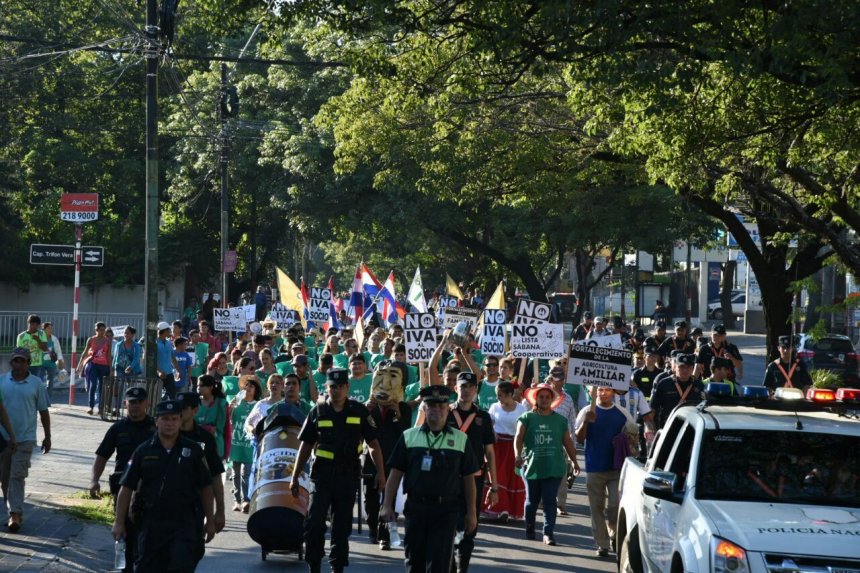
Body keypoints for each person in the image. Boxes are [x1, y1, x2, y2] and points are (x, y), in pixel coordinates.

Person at [289, 368, 386, 573]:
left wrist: (381, 473)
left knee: (341, 528)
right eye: (332, 387)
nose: (337, 390)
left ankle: (337, 566)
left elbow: (373, 444)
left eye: (341, 386)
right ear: (327, 388)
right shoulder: (318, 411)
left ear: (347, 388)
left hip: (348, 477)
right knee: (314, 524)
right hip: (322, 477)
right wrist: (295, 476)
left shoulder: (359, 411)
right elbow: (305, 446)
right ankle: (314, 564)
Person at [380, 385, 479, 573]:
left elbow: (468, 478)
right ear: (423, 409)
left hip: (446, 511)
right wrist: (386, 505)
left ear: (448, 409)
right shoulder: (408, 437)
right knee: (414, 563)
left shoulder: (461, 439)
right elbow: (395, 474)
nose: (436, 410)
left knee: (439, 565)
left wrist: (472, 512)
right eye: (431, 406)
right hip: (416, 509)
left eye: (441, 406)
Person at [112, 400, 216, 572]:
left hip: (184, 523)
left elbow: (206, 487)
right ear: (156, 421)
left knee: (180, 566)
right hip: (151, 522)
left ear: (180, 421)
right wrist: (118, 522)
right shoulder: (143, 451)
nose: (170, 423)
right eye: (165, 419)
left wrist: (210, 521)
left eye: (174, 419)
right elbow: (126, 488)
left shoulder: (193, 450)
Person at [90, 386, 155, 571]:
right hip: (123, 488)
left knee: (147, 535)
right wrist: (94, 480)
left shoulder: (155, 427)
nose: (135, 406)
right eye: (131, 402)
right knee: (125, 532)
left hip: (148, 488)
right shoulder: (118, 429)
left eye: (139, 402)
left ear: (146, 403)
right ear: (126, 404)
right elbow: (102, 455)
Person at [515, 382, 580, 546]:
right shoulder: (526, 418)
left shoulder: (560, 420)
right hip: (532, 466)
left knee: (550, 500)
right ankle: (530, 528)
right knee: (532, 501)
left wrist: (574, 461)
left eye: (547, 397)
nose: (544, 400)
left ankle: (548, 533)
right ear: (536, 399)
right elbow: (518, 438)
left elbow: (568, 443)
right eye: (541, 397)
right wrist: (517, 455)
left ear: (552, 400)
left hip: (554, 466)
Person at [447, 371, 497, 573]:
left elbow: (490, 453)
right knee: (448, 526)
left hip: (474, 479)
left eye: (470, 387)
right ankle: (449, 567)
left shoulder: (483, 417)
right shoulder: (446, 412)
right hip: (447, 478)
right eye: (462, 386)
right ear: (455, 388)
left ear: (476, 390)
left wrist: (494, 486)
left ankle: (462, 568)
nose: (466, 390)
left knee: (469, 526)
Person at [0, 348, 50, 532]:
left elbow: (44, 411)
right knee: (5, 479)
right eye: (16, 361)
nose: (19, 364)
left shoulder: (37, 384)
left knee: (16, 476)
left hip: (25, 438)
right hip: (3, 439)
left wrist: (48, 436)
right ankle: (13, 512)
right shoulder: (2, 381)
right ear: (11, 362)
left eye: (23, 361)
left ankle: (15, 514)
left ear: (29, 363)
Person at [575, 386, 629, 557]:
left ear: (613, 392)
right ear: (593, 392)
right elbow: (579, 438)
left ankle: (612, 530)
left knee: (615, 505)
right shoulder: (586, 411)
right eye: (600, 390)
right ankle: (602, 544)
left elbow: (632, 435)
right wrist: (586, 421)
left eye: (607, 390)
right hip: (594, 467)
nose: (603, 393)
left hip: (616, 468)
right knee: (596, 508)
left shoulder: (622, 412)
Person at [363, 360, 411, 550]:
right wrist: (365, 410)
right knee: (370, 499)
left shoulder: (404, 408)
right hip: (371, 459)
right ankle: (373, 528)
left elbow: (405, 432)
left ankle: (385, 534)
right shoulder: (368, 407)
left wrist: (397, 412)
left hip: (393, 459)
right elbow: (358, 431)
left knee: (389, 498)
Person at [176, 391, 227, 534]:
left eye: (184, 408)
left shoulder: (205, 438)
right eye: (177, 407)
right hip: (166, 504)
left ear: (195, 410)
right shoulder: (165, 434)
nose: (179, 412)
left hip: (194, 504)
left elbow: (215, 475)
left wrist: (219, 511)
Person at [483, 381, 526, 520]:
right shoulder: (495, 407)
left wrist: (522, 450)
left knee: (511, 477)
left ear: (509, 394)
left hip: (513, 446)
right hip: (497, 446)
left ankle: (510, 509)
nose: (498, 398)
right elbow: (489, 424)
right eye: (497, 395)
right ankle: (501, 509)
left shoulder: (521, 409)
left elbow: (524, 429)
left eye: (500, 395)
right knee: (497, 476)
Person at [228, 376, 260, 513]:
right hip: (236, 442)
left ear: (255, 390)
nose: (248, 388)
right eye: (246, 385)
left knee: (246, 472)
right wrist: (230, 407)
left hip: (249, 444)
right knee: (235, 473)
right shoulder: (236, 403)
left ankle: (246, 499)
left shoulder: (257, 405)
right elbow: (227, 418)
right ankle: (237, 500)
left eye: (251, 386)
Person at [650, 353, 706, 430]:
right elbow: (653, 408)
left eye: (688, 367)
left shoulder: (699, 385)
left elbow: (705, 408)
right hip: (668, 427)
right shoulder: (664, 384)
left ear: (692, 368)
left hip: (692, 428)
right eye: (681, 367)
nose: (685, 370)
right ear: (675, 367)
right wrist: (650, 428)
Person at [78, 321, 112, 415]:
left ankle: (101, 408)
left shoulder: (108, 341)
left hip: (104, 366)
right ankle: (91, 407)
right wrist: (79, 365)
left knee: (102, 387)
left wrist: (111, 369)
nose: (102, 332)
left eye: (103, 330)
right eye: (100, 330)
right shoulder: (91, 340)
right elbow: (84, 353)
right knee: (93, 386)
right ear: (96, 330)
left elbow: (109, 356)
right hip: (93, 365)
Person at [195, 375, 227, 459]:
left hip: (215, 444)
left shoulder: (221, 403)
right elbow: (189, 425)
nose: (198, 388)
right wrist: (205, 428)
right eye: (198, 385)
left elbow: (220, 428)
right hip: (196, 444)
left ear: (210, 387)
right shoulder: (194, 402)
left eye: (201, 385)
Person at [16, 315, 49, 381]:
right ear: (28, 323)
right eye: (32, 324)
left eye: (36, 325)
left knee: (35, 385)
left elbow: (45, 349)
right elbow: (18, 352)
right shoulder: (21, 336)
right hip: (25, 365)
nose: (34, 326)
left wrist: (38, 340)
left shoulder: (41, 334)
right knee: (24, 383)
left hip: (37, 365)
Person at [155, 322, 180, 399]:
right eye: (169, 330)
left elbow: (172, 357)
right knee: (157, 396)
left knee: (172, 394)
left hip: (169, 373)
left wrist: (178, 370)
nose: (170, 331)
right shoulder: (154, 343)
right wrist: (159, 371)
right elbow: (152, 360)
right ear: (165, 331)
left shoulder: (169, 342)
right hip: (158, 375)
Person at [41, 322, 65, 391]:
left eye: (51, 328)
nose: (50, 330)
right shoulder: (40, 339)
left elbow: (58, 351)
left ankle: (48, 398)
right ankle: (40, 396)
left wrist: (60, 360)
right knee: (39, 380)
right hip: (41, 363)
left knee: (50, 382)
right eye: (48, 328)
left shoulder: (54, 339)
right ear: (44, 329)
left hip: (51, 363)